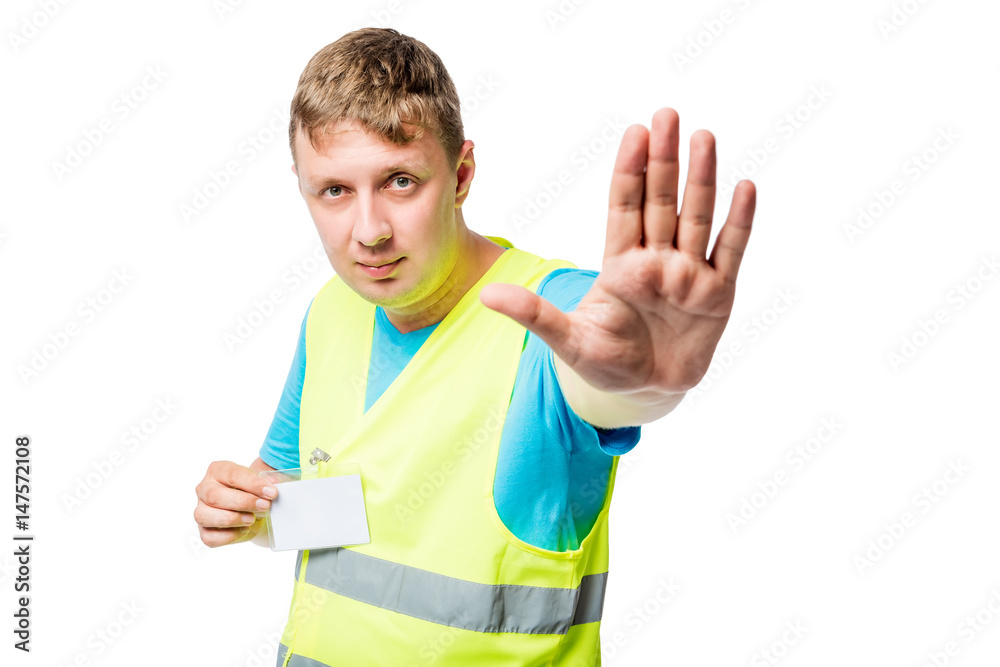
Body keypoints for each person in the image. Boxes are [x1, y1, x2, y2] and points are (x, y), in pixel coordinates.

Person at [194, 27, 755, 667]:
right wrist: (244, 510)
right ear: (302, 186)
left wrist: (643, 382)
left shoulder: (555, 315)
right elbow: (313, 502)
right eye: (335, 191)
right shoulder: (332, 309)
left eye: (400, 181)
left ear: (460, 176)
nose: (369, 231)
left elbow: (604, 380)